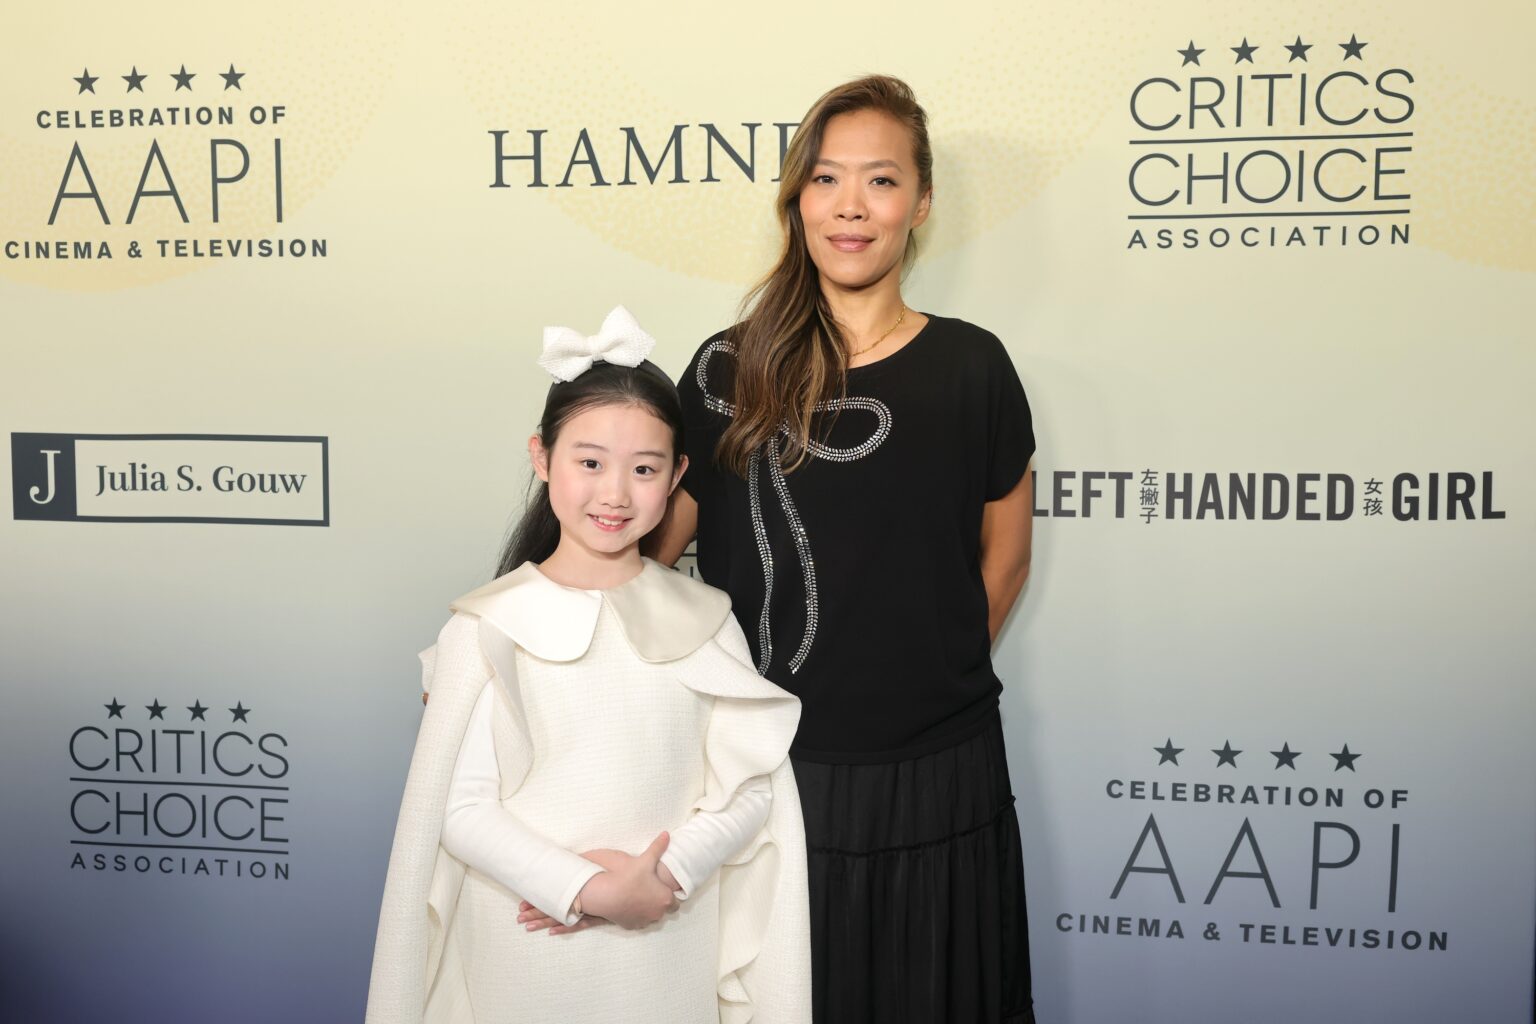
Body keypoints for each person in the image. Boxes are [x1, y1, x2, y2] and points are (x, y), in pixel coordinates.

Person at [648, 76, 1038, 1022]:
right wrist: (509, 650)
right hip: (768, 772)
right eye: (825, 180)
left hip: (942, 772)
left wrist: (922, 676)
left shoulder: (973, 367)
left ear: (921, 204)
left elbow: (1006, 557)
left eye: (881, 181)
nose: (851, 207)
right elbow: (640, 558)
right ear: (797, 201)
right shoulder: (725, 371)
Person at [366, 306, 811, 1024]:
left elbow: (750, 788)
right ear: (543, 458)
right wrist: (582, 887)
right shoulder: (486, 628)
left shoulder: (704, 620)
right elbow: (459, 808)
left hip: (669, 940)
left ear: (677, 477)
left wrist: (659, 876)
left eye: (644, 469)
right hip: (528, 950)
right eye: (590, 463)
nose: (615, 493)